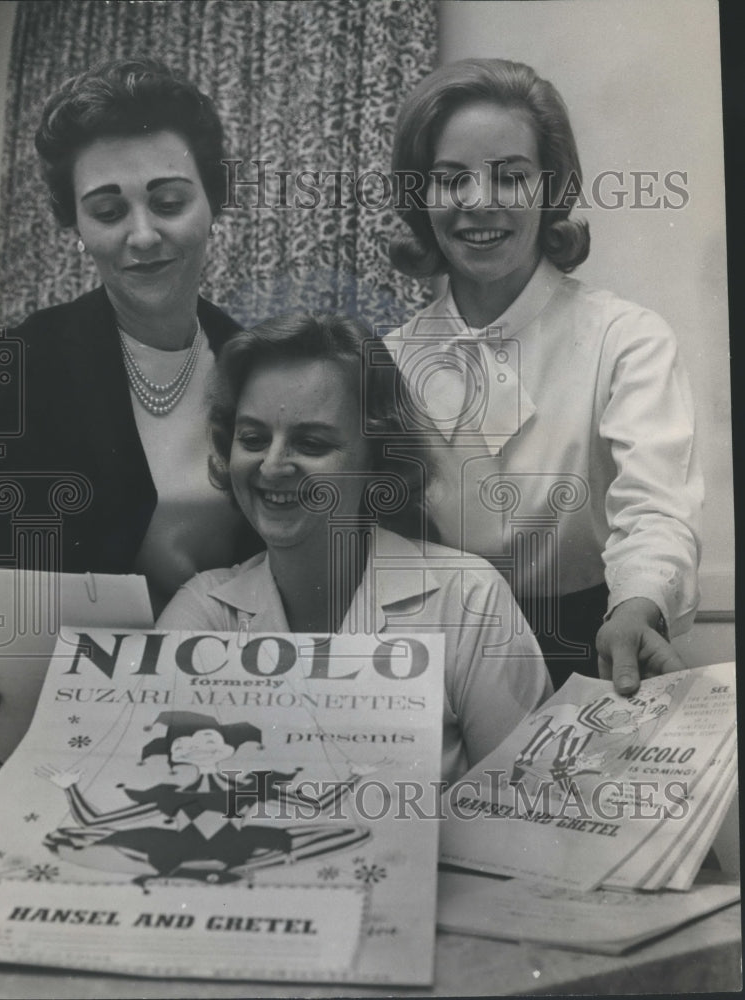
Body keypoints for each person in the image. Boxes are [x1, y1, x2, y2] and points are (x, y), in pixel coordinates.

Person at [0, 58, 257, 765]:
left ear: (213, 202)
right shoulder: (26, 362)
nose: (142, 235)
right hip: (62, 730)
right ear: (76, 225)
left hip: (227, 722)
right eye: (109, 210)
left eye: (170, 201)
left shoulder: (255, 361)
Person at [384, 58, 702, 696]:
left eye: (511, 177)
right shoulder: (389, 359)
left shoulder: (625, 338)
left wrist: (637, 603)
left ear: (551, 187)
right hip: (431, 670)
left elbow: (655, 509)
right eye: (451, 180)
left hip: (595, 653)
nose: (480, 202)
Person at [158, 313, 551, 784]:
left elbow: (528, 805)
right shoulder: (205, 610)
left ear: (376, 459)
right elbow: (159, 785)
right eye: (254, 439)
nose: (273, 465)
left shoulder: (469, 600)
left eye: (311, 442)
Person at [38, 710, 372, 889]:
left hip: (236, 847)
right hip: (177, 847)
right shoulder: (172, 795)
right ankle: (194, 869)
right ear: (175, 754)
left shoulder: (249, 787)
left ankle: (225, 867)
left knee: (352, 832)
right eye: (183, 745)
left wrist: (355, 776)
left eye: (207, 740)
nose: (195, 747)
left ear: (228, 749)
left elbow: (317, 808)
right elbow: (95, 822)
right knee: (65, 838)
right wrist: (69, 787)